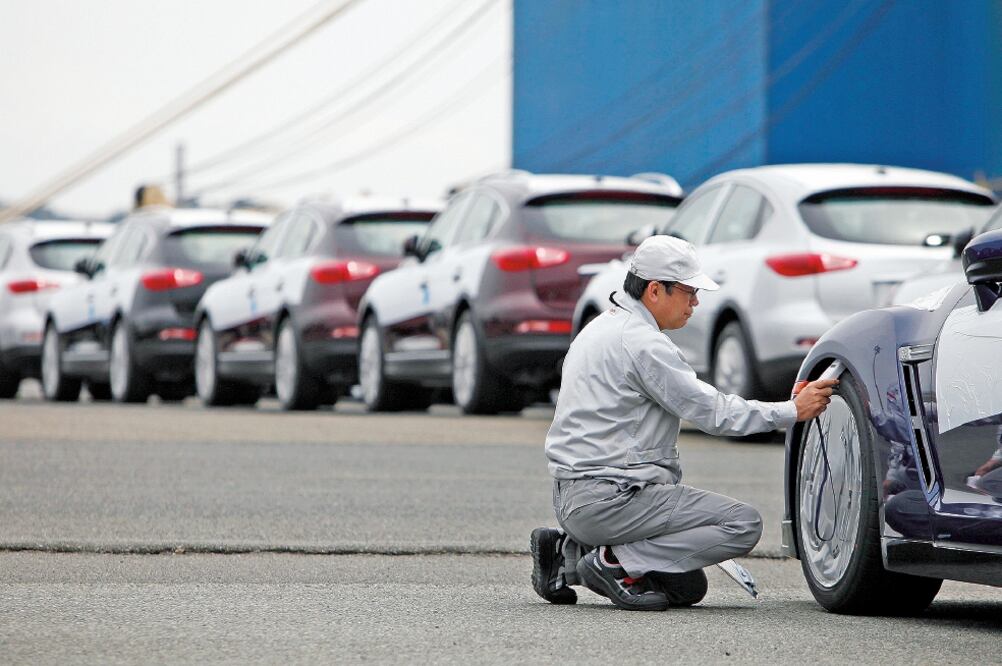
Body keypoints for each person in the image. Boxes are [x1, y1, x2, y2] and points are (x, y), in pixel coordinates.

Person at [530, 235, 837, 611]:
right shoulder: (642, 343)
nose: (695, 303)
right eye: (689, 292)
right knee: (742, 524)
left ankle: (567, 552)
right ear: (656, 290)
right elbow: (712, 412)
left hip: (574, 498)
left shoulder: (601, 326)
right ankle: (613, 561)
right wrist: (792, 410)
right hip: (613, 498)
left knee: (687, 589)